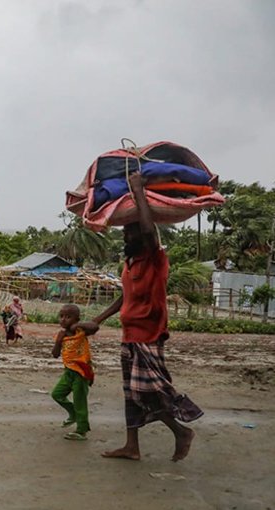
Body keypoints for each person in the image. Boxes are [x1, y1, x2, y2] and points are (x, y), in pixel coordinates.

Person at [81, 172, 202, 462]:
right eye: (126, 231)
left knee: (150, 391)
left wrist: (137, 189)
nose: (127, 235)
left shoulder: (155, 259)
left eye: (131, 231)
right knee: (131, 394)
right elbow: (125, 297)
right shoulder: (130, 263)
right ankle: (131, 447)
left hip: (149, 335)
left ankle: (181, 432)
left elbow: (150, 232)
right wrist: (98, 320)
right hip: (130, 336)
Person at [51, 304, 99, 441]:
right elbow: (55, 354)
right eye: (61, 316)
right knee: (56, 394)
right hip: (69, 372)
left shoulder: (80, 332)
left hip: (82, 372)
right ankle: (73, 414)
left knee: (80, 401)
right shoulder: (62, 335)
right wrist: (58, 342)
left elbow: (95, 327)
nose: (63, 320)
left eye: (68, 317)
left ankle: (82, 430)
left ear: (76, 319)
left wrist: (78, 325)